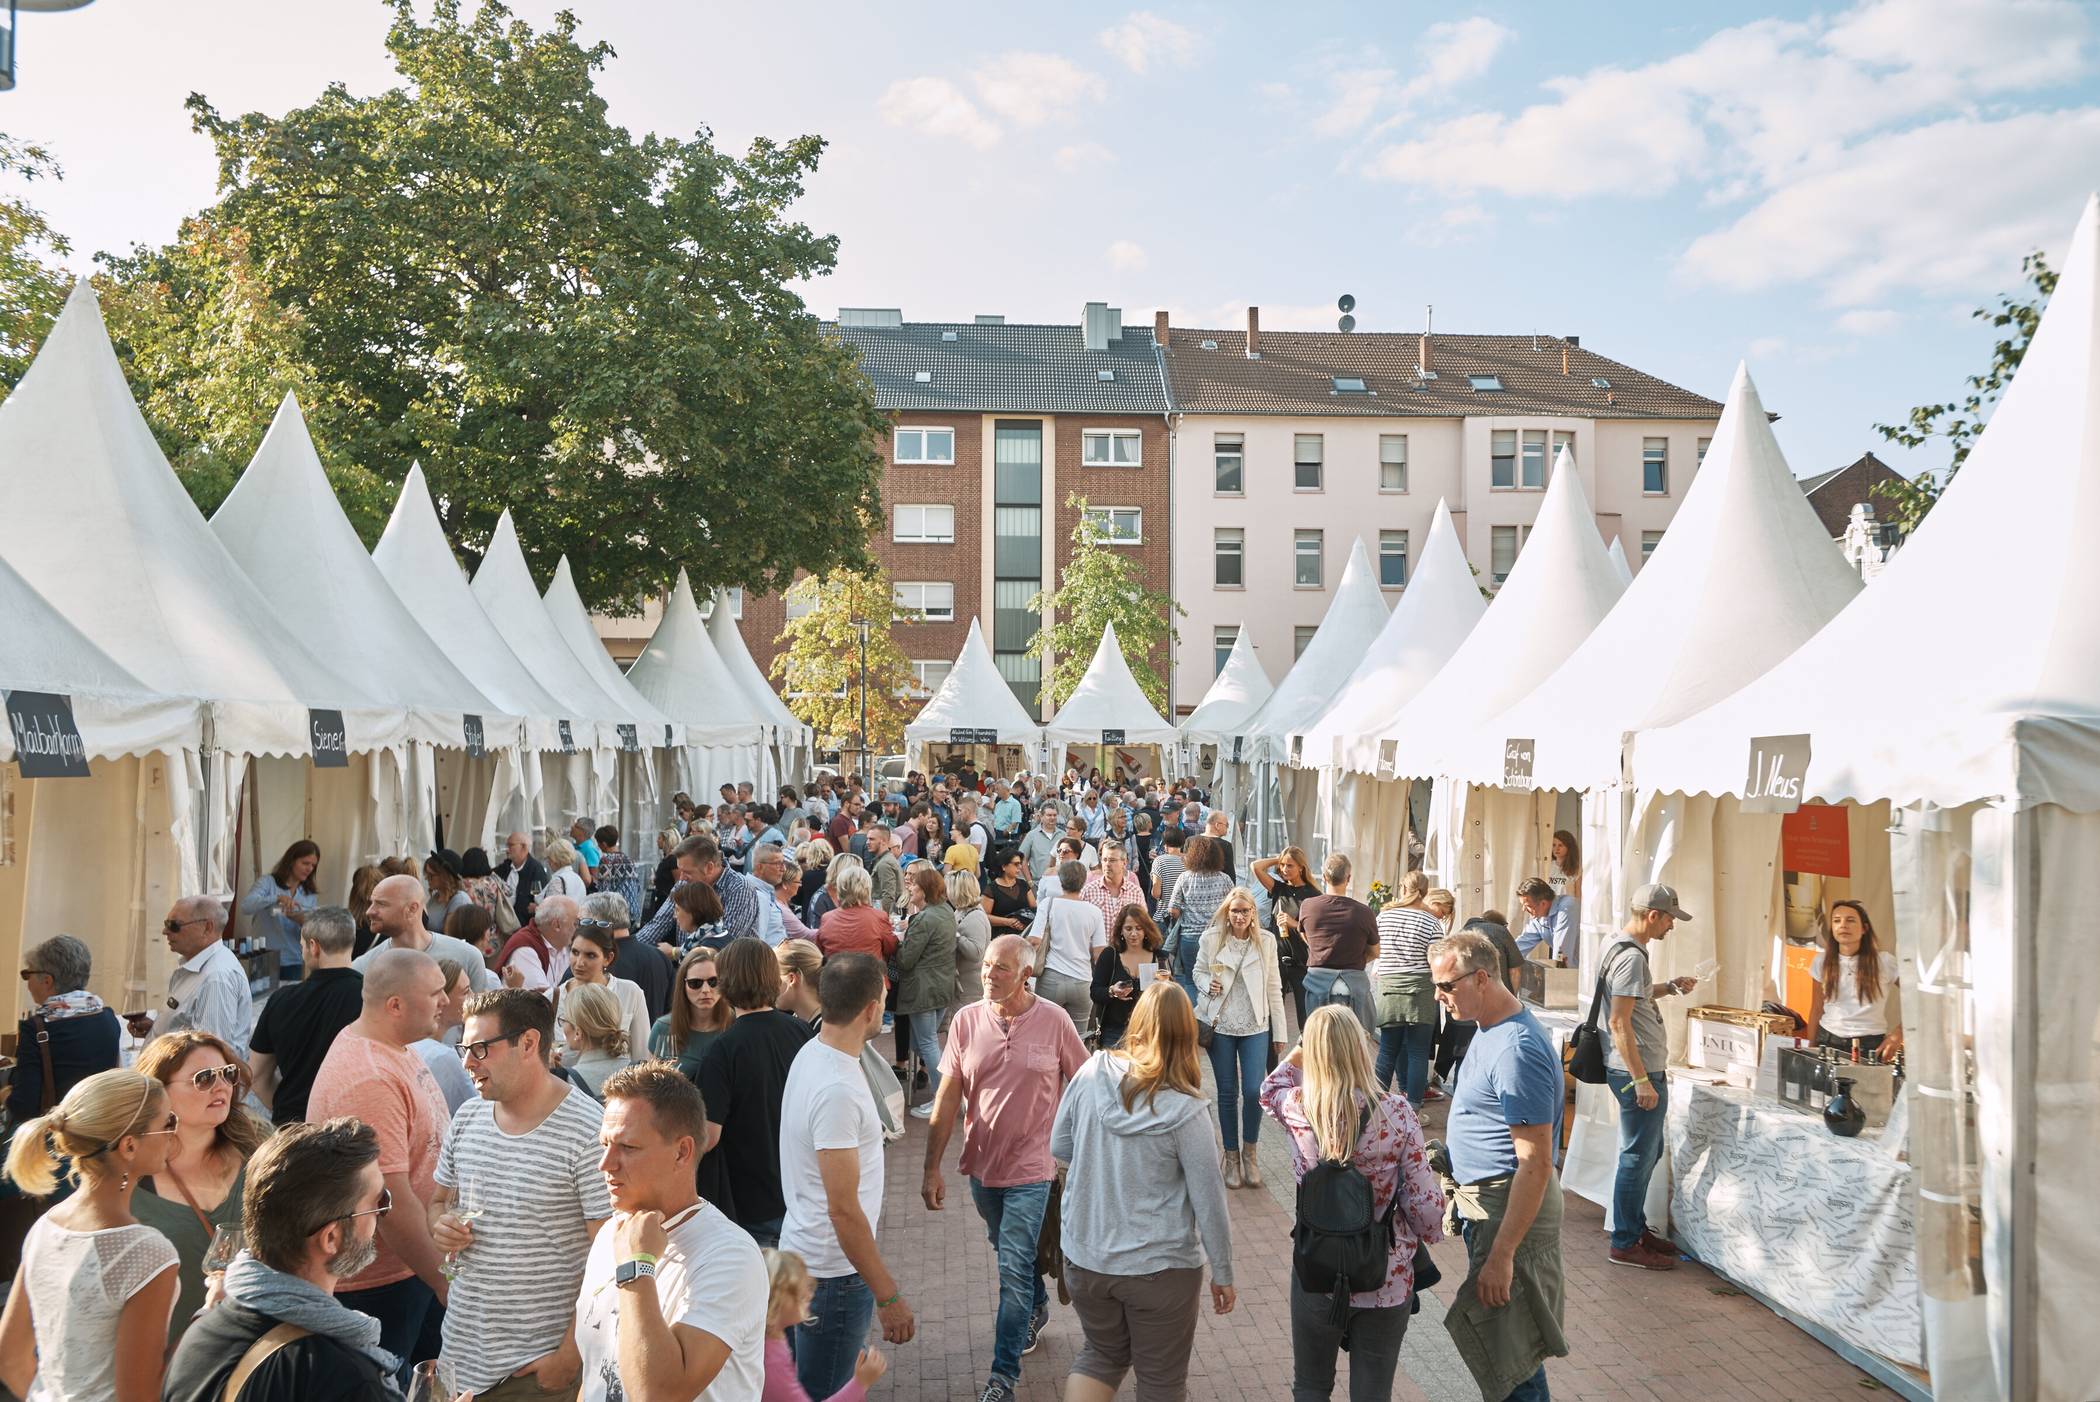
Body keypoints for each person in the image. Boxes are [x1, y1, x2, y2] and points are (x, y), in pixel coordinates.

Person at [921, 935, 1087, 1402]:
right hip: (982, 1167)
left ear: (1026, 975)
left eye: (1001, 969)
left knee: (1011, 1267)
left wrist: (1084, 1150)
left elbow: (1084, 1082)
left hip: (1034, 1168)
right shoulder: (966, 1021)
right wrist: (931, 1169)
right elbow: (947, 1098)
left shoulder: (1054, 1021)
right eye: (986, 966)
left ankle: (1002, 1379)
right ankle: (1037, 1303)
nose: (989, 975)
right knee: (1009, 1250)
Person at [1051, 982, 1234, 1402]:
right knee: (1161, 1382)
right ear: (1186, 1035)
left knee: (1102, 1355)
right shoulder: (1187, 1108)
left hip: (1087, 1257)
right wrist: (1223, 1273)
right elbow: (1209, 1199)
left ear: (1138, 1023)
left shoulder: (1092, 1072)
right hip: (1159, 1267)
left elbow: (1059, 1145)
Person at [1260, 1006, 1445, 1402]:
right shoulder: (1396, 1113)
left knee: (1310, 1386)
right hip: (1385, 1272)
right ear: (1361, 1048)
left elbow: (1268, 1089)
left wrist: (1302, 1046)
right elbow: (1426, 1208)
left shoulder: (1298, 1106)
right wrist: (1430, 1231)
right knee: (1372, 1393)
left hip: (1317, 1267)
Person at [432, 988, 610, 1401]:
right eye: (464, 1048)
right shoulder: (467, 1117)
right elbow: (438, 1202)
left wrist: (567, 1359)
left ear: (528, 1043)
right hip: (457, 1360)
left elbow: (609, 1260)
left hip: (532, 1374)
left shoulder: (589, 1132)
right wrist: (441, 1226)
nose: (467, 1062)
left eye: (480, 1048)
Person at [160, 1118, 403, 1402]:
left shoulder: (200, 1334)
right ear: (331, 1238)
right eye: (379, 1202)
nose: (382, 1212)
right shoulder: (346, 1378)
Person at [1429, 930, 1568, 1402]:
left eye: (1446, 985)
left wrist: (1503, 1254)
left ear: (1482, 978)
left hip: (1507, 1210)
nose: (1439, 996)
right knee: (1505, 1353)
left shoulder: (1516, 1050)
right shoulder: (1489, 1028)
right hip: (1488, 1205)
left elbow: (1536, 1163)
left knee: (1512, 1362)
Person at [574, 1062, 767, 1401]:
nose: (605, 1164)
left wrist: (636, 1265)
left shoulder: (731, 1256)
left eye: (627, 1147)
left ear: (682, 1152)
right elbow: (595, 1375)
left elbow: (658, 1395)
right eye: (605, 1144)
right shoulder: (611, 1233)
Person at [306, 948, 453, 1375]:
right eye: (435, 993)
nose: (445, 1002)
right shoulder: (370, 1077)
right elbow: (389, 1200)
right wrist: (444, 1282)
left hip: (411, 1269)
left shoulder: (393, 1046)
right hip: (382, 1283)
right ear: (395, 1006)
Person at [776, 955, 915, 1396]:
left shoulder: (812, 1052)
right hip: (832, 1275)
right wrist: (888, 1296)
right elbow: (843, 1209)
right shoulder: (837, 1087)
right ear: (872, 1009)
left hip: (805, 1256)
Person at [0, 1068, 180, 1402]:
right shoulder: (147, 1252)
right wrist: (205, 1320)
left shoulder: (46, 1227)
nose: (174, 1132)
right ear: (129, 1145)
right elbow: (139, 1396)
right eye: (168, 1122)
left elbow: (10, 1357)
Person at [133, 1031, 267, 1346]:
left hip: (251, 1348)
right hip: (169, 1356)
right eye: (203, 1078)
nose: (221, 1086)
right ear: (159, 1092)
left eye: (227, 1074)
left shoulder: (261, 1154)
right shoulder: (131, 1178)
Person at [1599, 884, 1698, 1271]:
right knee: (1638, 1156)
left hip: (1635, 1067)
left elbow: (1631, 998)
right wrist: (1641, 1080)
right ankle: (1625, 1241)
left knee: (1646, 1152)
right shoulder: (1631, 957)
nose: (1672, 925)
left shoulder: (1619, 945)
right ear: (1653, 915)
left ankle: (1634, 1229)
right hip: (1636, 1070)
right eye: (1670, 918)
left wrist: (1669, 988)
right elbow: (1618, 1020)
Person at [695, 940, 815, 1247]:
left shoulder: (723, 1050)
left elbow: (709, 1135)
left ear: (725, 982)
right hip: (802, 1193)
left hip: (753, 1201)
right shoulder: (802, 1031)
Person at [1193, 886, 1287, 1189]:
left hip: (1255, 1026)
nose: (1240, 916)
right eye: (1235, 911)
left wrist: (1280, 1032)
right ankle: (1231, 1157)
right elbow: (1197, 971)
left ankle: (1250, 1154)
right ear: (1227, 912)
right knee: (1227, 1092)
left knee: (1253, 1090)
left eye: (1245, 911)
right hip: (1220, 1024)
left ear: (1253, 913)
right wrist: (1207, 983)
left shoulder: (1267, 941)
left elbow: (1274, 987)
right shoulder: (1211, 938)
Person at [247, 907, 363, 1123]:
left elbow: (257, 1075)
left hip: (292, 1125)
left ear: (313, 947)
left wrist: (289, 1111)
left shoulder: (281, 1000)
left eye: (302, 947)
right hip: (348, 1126)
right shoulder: (370, 997)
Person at [9, 934, 120, 1123]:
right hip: (100, 1126)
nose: (27, 984)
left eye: (27, 975)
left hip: (59, 1131)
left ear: (47, 981)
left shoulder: (36, 1028)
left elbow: (24, 1106)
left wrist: (5, 1094)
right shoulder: (107, 1016)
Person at [128, 897, 252, 1060]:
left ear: (207, 927)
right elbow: (188, 1030)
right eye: (166, 923)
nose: (165, 931)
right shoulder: (198, 966)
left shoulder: (216, 979)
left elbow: (210, 1055)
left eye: (174, 925)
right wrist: (158, 1030)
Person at [761, 1247, 889, 1402]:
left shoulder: (770, 1340)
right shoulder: (772, 1361)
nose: (810, 1294)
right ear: (775, 1302)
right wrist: (860, 1384)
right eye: (799, 1292)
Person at [354, 874, 496, 993]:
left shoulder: (468, 957)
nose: (369, 911)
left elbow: (480, 1016)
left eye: (381, 904)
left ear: (412, 909)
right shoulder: (361, 968)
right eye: (372, 903)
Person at [1372, 871, 1444, 1106]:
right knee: (1417, 1052)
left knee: (1387, 1049)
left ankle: (1377, 1104)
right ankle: (1413, 1107)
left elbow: (1375, 951)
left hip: (1389, 988)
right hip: (1420, 991)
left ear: (1403, 889)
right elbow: (1435, 960)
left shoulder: (1384, 917)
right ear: (1425, 892)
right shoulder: (1431, 922)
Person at [636, 834, 779, 951]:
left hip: (731, 973)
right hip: (692, 968)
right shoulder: (685, 883)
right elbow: (658, 923)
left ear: (709, 867)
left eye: (687, 872)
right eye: (680, 870)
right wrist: (630, 949)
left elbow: (724, 944)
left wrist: (675, 952)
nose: (681, 878)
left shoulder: (740, 889)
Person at [896, 865, 958, 1119]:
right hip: (941, 985)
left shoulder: (924, 918)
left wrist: (896, 944)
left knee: (927, 1043)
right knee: (923, 1042)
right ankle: (950, 1089)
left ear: (924, 890)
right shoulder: (946, 911)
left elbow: (906, 960)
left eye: (914, 885)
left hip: (923, 988)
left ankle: (943, 1097)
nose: (910, 887)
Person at [1809, 899, 1903, 1057]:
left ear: (1864, 928)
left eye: (1850, 920)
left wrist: (1898, 1035)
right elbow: (1816, 1008)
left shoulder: (1884, 961)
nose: (1843, 925)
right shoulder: (1821, 961)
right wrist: (1810, 1049)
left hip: (1869, 1044)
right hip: (1827, 1040)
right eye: (1837, 920)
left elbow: (1916, 996)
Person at [1298, 854, 1379, 1031]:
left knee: (1318, 1041)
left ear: (1324, 877)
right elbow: (1375, 952)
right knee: (1356, 1041)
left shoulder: (1308, 906)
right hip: (1353, 986)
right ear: (1348, 878)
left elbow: (1305, 936)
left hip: (1318, 983)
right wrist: (1356, 959)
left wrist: (1320, 950)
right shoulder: (1364, 912)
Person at [555, 922, 652, 1068]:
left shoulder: (630, 992)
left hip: (618, 1081)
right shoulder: (553, 998)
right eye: (575, 952)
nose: (579, 962)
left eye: (590, 955)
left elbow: (642, 1055)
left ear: (608, 958)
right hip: (566, 1081)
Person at [1030, 860, 1106, 1032]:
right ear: (1084, 881)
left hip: (1051, 977)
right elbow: (1099, 953)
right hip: (1083, 980)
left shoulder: (1048, 904)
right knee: (1078, 1036)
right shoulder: (1094, 912)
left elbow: (1034, 941)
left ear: (1060, 880)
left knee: (1044, 1032)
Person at [1162, 836, 1234, 1007]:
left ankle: (1194, 1018)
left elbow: (1173, 910)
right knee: (1218, 979)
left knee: (1191, 981)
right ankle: (1214, 1015)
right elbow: (1234, 905)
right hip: (1218, 936)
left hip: (1190, 937)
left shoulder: (1185, 878)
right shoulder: (1224, 879)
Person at [1253, 846, 1319, 1025]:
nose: (1284, 869)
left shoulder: (1313, 895)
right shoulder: (1279, 889)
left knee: (1305, 1019)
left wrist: (1295, 924)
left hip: (1301, 962)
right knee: (1272, 1017)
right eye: (1282, 865)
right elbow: (1256, 867)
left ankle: (1307, 1044)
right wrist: (1280, 857)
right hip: (1276, 960)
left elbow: (1318, 932)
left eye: (1290, 865)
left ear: (1301, 868)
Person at [241, 840, 319, 985]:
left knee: (289, 998)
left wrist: (300, 920)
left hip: (293, 960)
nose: (309, 869)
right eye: (305, 863)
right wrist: (276, 898)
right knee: (261, 998)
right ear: (291, 861)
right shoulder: (267, 882)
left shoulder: (309, 893)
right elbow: (246, 906)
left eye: (313, 865)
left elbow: (314, 930)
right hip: (264, 958)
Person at [1091, 906, 1166, 1051]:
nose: (1133, 934)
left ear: (1146, 930)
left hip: (1150, 1032)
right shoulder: (1110, 955)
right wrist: (1112, 991)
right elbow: (1095, 992)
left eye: (1139, 928)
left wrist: (1163, 987)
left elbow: (1171, 995)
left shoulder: (1159, 957)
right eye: (1128, 928)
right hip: (1114, 1032)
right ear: (1121, 930)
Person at [653, 947, 734, 1078]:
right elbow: (652, 1082)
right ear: (683, 986)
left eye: (714, 982)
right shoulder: (663, 1028)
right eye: (695, 983)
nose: (706, 990)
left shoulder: (735, 1025)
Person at [591, 893, 672, 1022]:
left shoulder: (595, 963)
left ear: (600, 923)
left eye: (583, 922)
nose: (579, 929)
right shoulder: (660, 957)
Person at [419, 959, 480, 1115]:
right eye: (465, 992)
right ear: (442, 1000)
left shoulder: (411, 1046)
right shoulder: (443, 1057)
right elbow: (477, 1112)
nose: (473, 996)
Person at [561, 983, 634, 1099]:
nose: (563, 1026)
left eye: (564, 1020)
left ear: (578, 1032)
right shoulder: (640, 1074)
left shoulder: (565, 1083)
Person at [496, 891, 578, 994]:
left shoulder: (564, 945)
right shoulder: (525, 950)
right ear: (556, 925)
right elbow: (543, 999)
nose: (578, 928)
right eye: (575, 923)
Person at [816, 863, 897, 962]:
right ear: (867, 889)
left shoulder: (827, 918)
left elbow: (819, 950)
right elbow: (891, 948)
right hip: (870, 970)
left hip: (835, 970)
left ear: (840, 888)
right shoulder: (879, 917)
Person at [948, 870, 991, 1019]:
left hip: (970, 988)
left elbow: (976, 953)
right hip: (963, 985)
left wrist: (956, 936)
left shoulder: (975, 916)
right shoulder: (962, 911)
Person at [1078, 840, 1145, 931]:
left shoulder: (1136, 892)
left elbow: (1143, 924)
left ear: (1124, 863)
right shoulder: (1088, 891)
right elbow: (1079, 925)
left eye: (1112, 860)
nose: (1107, 864)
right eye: (1104, 860)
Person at [1515, 878, 1578, 970]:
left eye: (1528, 906)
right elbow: (1522, 944)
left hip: (1587, 972)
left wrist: (1555, 976)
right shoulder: (1539, 916)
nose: (1524, 910)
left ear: (1543, 903)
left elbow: (1561, 952)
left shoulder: (1567, 909)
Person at [496, 831, 551, 929]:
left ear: (524, 847)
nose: (507, 850)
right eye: (507, 845)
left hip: (523, 926)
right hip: (503, 923)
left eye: (511, 845)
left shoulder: (535, 870)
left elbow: (538, 897)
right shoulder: (506, 866)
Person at [983, 848, 1036, 937]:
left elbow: (1034, 909)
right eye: (1016, 864)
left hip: (1025, 935)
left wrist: (1025, 923)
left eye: (1020, 863)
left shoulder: (1024, 885)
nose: (1020, 867)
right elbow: (984, 916)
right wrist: (1008, 922)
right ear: (1004, 866)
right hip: (1000, 937)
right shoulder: (991, 889)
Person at [774, 939, 824, 1028]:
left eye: (774, 977)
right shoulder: (800, 1021)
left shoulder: (827, 1030)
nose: (769, 985)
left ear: (792, 979)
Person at [595, 825, 643, 915]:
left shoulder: (606, 860)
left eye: (598, 843)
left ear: (604, 844)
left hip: (617, 912)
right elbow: (638, 886)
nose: (598, 846)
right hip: (632, 908)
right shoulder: (628, 859)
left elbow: (603, 890)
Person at [424, 849, 473, 935]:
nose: (426, 878)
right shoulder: (435, 897)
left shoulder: (459, 900)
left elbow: (450, 937)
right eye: (426, 874)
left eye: (431, 875)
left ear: (445, 877)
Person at [1018, 806, 1061, 884]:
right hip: (1037, 882)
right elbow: (1022, 858)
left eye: (1054, 815)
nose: (1052, 818)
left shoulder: (1063, 835)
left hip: (1059, 882)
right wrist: (1029, 881)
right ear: (1041, 817)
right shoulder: (1031, 835)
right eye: (1049, 815)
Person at [546, 838, 590, 904]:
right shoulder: (578, 879)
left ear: (554, 860)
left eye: (549, 858)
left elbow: (551, 907)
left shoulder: (558, 881)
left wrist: (536, 907)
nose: (548, 862)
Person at [1547, 830, 1582, 902]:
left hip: (1567, 907)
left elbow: (1578, 896)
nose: (1556, 848)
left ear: (1569, 847)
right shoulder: (1548, 867)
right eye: (1554, 845)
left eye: (1560, 845)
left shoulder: (1576, 869)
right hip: (1549, 907)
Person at [1203, 810, 1236, 880]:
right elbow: (1230, 873)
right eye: (1227, 825)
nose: (1228, 828)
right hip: (1217, 884)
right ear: (1217, 825)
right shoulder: (1225, 845)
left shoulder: (1190, 840)